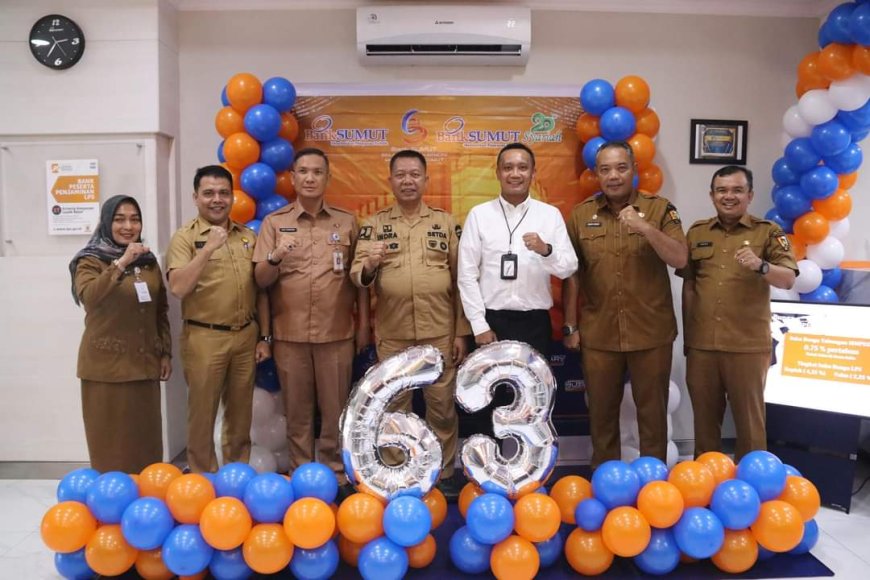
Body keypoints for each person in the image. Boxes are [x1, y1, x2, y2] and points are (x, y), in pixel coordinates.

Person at [350, 149, 471, 499]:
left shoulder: (445, 222)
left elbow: (461, 279)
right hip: (393, 333)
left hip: (439, 331)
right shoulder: (373, 225)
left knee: (441, 406)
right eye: (400, 175)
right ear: (390, 181)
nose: (407, 180)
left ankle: (446, 471)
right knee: (394, 407)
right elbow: (357, 277)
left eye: (414, 174)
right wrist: (371, 264)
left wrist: (461, 331)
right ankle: (397, 469)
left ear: (425, 180)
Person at [563, 141, 688, 468]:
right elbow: (571, 274)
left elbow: (680, 258)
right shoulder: (581, 215)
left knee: (652, 415)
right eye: (605, 169)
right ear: (596, 175)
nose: (613, 176)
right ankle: (607, 484)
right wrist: (571, 325)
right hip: (600, 334)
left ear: (634, 170)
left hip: (651, 332)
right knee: (602, 416)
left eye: (621, 167)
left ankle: (654, 485)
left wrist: (645, 228)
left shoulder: (660, 209)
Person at [253, 148, 370, 489]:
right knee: (298, 412)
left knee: (335, 411)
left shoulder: (346, 222)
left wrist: (363, 325)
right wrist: (275, 258)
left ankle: (335, 473)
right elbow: (260, 281)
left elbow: (359, 280)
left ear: (327, 178)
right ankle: (302, 473)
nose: (309, 178)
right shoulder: (276, 224)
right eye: (303, 171)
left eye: (317, 172)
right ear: (292, 177)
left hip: (336, 334)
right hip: (289, 334)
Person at [679, 165, 797, 460]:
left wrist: (761, 265)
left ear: (749, 194)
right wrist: (689, 340)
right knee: (704, 426)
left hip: (747, 346)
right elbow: (690, 287)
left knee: (750, 427)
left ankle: (753, 489)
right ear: (712, 195)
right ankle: (705, 487)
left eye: (736, 190)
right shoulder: (697, 232)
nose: (728, 196)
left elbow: (789, 278)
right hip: (703, 346)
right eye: (722, 190)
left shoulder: (767, 232)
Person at [166, 165, 271, 473]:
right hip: (204, 337)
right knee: (202, 415)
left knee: (240, 417)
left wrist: (264, 337)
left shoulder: (247, 237)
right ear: (196, 197)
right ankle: (201, 480)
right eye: (209, 193)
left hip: (244, 336)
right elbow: (179, 287)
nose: (217, 200)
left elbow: (261, 290)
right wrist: (208, 248)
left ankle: (235, 477)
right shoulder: (185, 238)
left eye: (224, 193)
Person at [71, 195, 171, 473]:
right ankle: (110, 505)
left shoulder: (148, 261)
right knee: (110, 446)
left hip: (144, 365)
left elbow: (160, 310)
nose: (129, 226)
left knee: (146, 444)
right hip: (106, 368)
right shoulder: (90, 259)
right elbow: (90, 297)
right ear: (106, 223)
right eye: (120, 219)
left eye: (135, 219)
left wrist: (165, 352)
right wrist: (121, 262)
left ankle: (146, 503)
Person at [458, 142, 577, 357]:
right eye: (508, 167)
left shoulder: (549, 215)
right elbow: (466, 275)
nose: (515, 174)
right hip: (490, 322)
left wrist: (546, 250)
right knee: (490, 390)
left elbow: (568, 268)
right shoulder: (479, 215)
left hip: (535, 323)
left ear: (533, 173)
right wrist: (479, 325)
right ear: (498, 173)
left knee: (534, 389)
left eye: (522, 167)